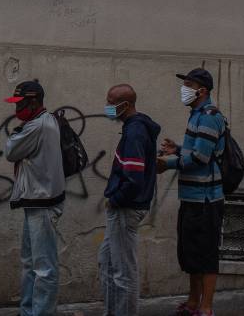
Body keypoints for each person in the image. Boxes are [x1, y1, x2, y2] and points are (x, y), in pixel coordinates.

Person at [156, 68, 226, 316]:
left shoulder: (209, 116)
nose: (183, 89)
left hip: (205, 199)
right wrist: (177, 149)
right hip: (192, 197)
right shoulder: (196, 115)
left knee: (205, 255)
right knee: (192, 255)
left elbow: (199, 158)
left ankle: (206, 308)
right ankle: (193, 302)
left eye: (188, 85)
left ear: (202, 91)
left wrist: (167, 163)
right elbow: (197, 150)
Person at [3, 80, 66, 316]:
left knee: (44, 268)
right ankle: (28, 310)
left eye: (20, 103)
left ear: (34, 101)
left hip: (43, 202)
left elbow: (11, 151)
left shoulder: (37, 126)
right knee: (30, 263)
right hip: (36, 201)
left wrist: (16, 131)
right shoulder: (43, 121)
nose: (16, 108)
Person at [99, 83, 160, 316]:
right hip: (123, 208)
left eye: (111, 102)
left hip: (125, 208)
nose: (107, 106)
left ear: (125, 105)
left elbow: (133, 177)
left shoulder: (135, 132)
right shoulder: (133, 128)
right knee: (107, 261)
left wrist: (116, 199)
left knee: (123, 272)